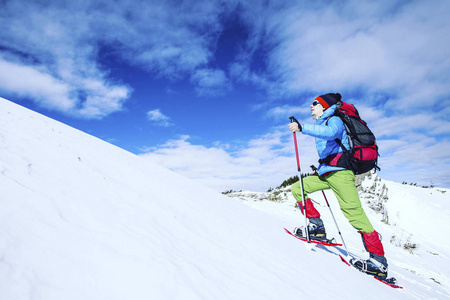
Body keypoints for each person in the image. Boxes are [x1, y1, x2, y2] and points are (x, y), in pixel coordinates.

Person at [288, 93, 388, 279]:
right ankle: (316, 227)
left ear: (325, 106)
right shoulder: (324, 121)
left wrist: (302, 128)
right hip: (328, 173)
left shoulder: (334, 119)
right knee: (298, 188)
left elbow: (331, 133)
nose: (311, 106)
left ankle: (379, 261)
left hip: (341, 174)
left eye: (315, 103)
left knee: (354, 213)